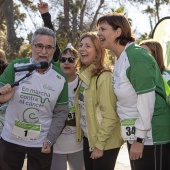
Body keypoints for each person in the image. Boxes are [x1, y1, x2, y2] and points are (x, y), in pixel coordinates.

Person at [97, 12, 170, 170]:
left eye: (103, 29)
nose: (99, 33)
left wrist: (139, 139)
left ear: (118, 32)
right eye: (98, 29)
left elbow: (146, 100)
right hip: (135, 136)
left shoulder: (136, 56)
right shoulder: (120, 57)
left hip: (151, 138)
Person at [0, 27, 68, 170]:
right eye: (39, 46)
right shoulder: (16, 67)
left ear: (54, 50)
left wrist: (50, 139)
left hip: (41, 144)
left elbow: (61, 113)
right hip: (10, 140)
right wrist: (2, 98)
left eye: (49, 47)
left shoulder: (61, 78)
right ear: (32, 46)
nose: (44, 52)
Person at [74, 32, 123, 170]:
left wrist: (99, 145)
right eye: (81, 45)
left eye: (88, 46)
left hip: (104, 143)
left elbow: (110, 116)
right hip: (89, 139)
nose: (82, 49)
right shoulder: (85, 76)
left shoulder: (104, 77)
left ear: (97, 52)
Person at [50, 44, 85, 170]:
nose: (66, 62)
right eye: (63, 59)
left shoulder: (83, 83)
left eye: (71, 59)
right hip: (56, 146)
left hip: (79, 145)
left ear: (77, 62)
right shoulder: (53, 83)